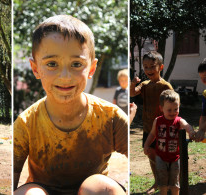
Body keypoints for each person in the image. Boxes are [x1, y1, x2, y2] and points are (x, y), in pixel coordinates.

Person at [14, 15, 128, 195]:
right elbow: (13, 180)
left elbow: (141, 153)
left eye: (76, 64)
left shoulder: (110, 117)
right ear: (36, 69)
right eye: (52, 64)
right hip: (43, 190)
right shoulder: (27, 123)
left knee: (100, 187)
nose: (65, 76)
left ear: (91, 68)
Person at [130, 51, 173, 193]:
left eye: (152, 66)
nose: (148, 70)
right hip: (148, 128)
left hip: (163, 129)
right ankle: (157, 182)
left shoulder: (165, 86)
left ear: (161, 67)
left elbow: (175, 106)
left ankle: (166, 183)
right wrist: (133, 84)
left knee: (163, 157)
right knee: (150, 154)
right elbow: (132, 93)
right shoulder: (145, 84)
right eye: (145, 67)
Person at [144, 89, 195, 195]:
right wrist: (146, 145)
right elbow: (152, 134)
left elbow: (187, 125)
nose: (173, 112)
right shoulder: (157, 121)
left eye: (176, 109)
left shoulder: (179, 121)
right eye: (169, 110)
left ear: (179, 106)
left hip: (175, 158)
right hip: (160, 157)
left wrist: (190, 131)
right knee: (162, 182)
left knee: (175, 182)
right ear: (161, 108)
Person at [196, 58, 206, 142]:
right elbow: (204, 115)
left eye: (205, 77)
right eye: (201, 77)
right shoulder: (205, 94)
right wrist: (201, 130)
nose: (203, 81)